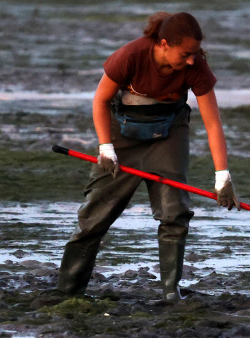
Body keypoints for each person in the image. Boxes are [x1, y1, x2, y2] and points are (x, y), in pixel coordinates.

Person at [57, 11, 240, 301]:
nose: (192, 59)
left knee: (174, 214)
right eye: (186, 53)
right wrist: (106, 148)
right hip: (123, 137)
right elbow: (101, 100)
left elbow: (213, 123)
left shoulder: (196, 67)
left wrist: (223, 176)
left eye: (195, 53)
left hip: (168, 135)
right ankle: (67, 291)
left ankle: (170, 293)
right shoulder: (130, 56)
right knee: (94, 216)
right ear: (164, 43)